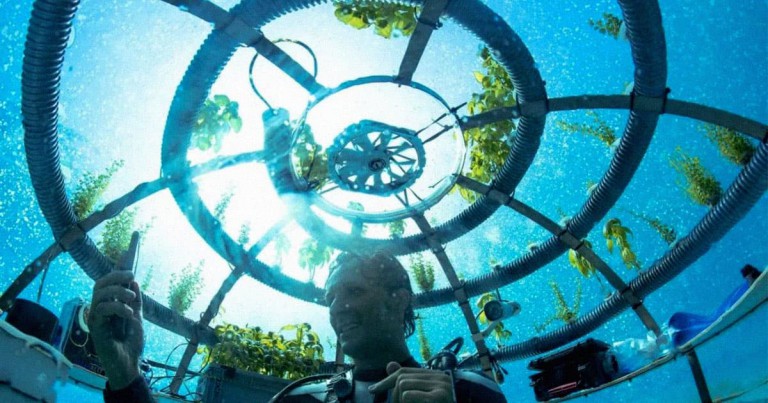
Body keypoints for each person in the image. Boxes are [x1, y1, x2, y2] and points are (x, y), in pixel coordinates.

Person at [89, 252, 508, 402]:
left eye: (354, 291)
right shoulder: (302, 400)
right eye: (330, 298)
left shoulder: (468, 394)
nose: (337, 308)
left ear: (399, 299)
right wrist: (125, 376)